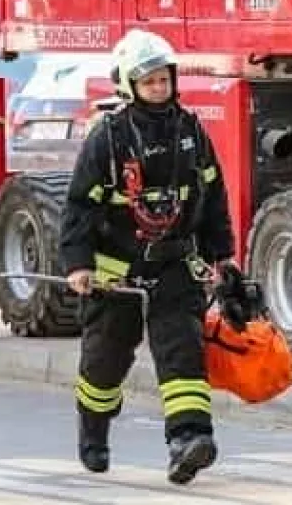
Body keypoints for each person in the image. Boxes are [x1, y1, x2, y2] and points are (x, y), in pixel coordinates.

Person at [59, 28, 242, 485]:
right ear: (129, 84)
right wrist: (78, 264)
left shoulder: (191, 131)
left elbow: (213, 197)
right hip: (115, 270)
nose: (159, 88)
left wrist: (222, 256)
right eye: (149, 81)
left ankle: (188, 440)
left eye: (164, 79)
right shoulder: (108, 138)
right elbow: (80, 206)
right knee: (105, 358)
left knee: (182, 351)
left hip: (174, 263)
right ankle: (93, 428)